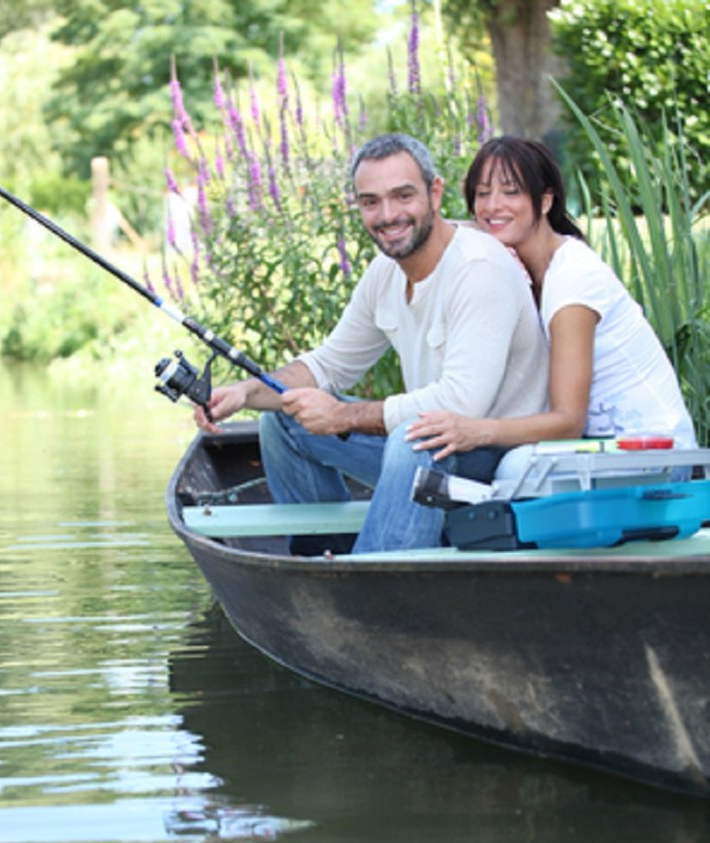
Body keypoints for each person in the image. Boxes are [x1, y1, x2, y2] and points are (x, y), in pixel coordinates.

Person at [194, 132, 549, 553]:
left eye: (403, 196)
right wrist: (246, 392)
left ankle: (371, 582)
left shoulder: (478, 268)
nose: (388, 215)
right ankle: (323, 560)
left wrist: (343, 416)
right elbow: (328, 364)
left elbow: (460, 403)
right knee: (284, 419)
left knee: (414, 436)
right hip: (434, 454)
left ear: (434, 194)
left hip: (498, 463)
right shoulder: (385, 272)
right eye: (370, 201)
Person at [406, 135, 697, 466]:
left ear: (545, 202)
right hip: (602, 454)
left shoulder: (572, 278)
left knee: (511, 468)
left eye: (511, 192)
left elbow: (568, 421)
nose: (492, 206)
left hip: (655, 459)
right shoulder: (522, 268)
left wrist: (475, 430)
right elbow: (456, 232)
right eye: (482, 194)